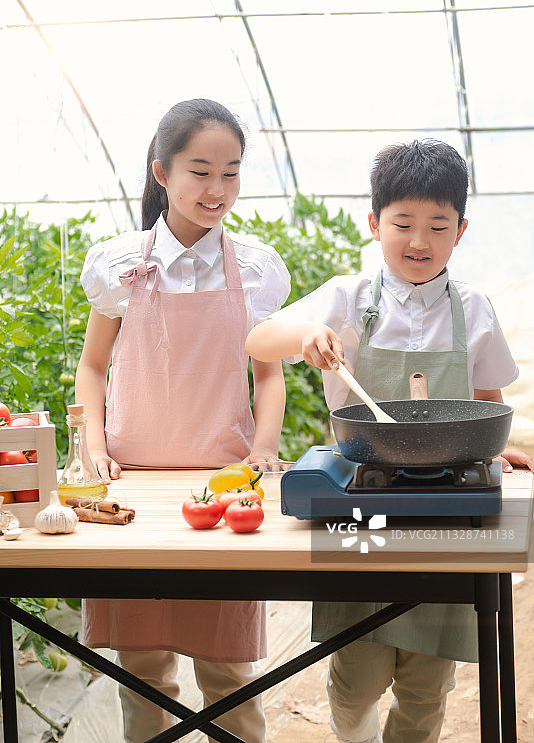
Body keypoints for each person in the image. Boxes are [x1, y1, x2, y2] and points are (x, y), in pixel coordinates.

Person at [246, 139, 534, 743]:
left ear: (461, 230)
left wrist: (497, 447)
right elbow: (258, 340)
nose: (419, 242)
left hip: (445, 521)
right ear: (374, 223)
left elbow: (486, 404)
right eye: (403, 223)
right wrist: (305, 335)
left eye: (438, 225)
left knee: (427, 689)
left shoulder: (474, 310)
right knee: (355, 679)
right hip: (362, 513)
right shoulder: (349, 298)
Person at [75, 98, 290, 743]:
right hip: (132, 486)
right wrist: (93, 447)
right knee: (142, 673)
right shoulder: (118, 263)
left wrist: (265, 446)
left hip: (223, 489)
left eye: (231, 173)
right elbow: (91, 368)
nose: (216, 189)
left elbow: (270, 371)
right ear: (162, 173)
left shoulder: (254, 268)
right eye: (200, 172)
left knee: (229, 673)